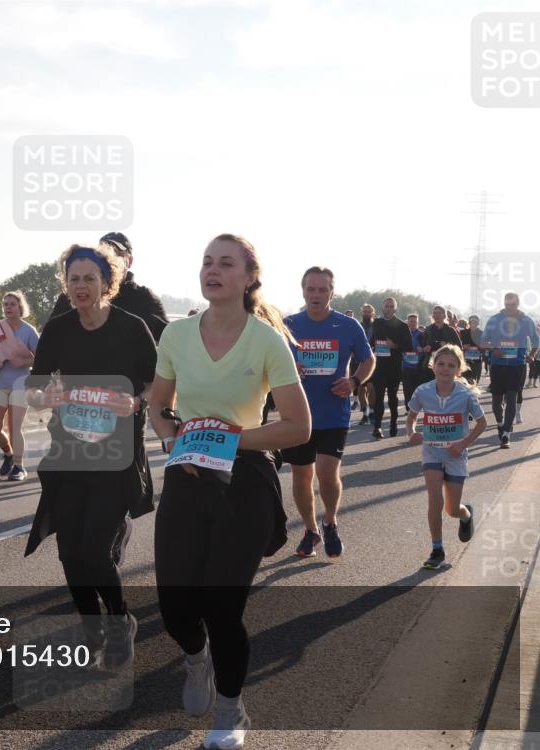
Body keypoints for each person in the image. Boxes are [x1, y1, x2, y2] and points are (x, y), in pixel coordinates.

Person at [150, 234, 309, 750]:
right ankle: (196, 660)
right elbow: (158, 408)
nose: (212, 270)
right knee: (175, 607)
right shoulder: (175, 335)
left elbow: (298, 427)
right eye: (206, 262)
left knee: (221, 606)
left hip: (245, 479)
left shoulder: (266, 341)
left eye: (225, 263)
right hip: (188, 475)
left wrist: (231, 438)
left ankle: (230, 711)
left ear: (248, 278)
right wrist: (180, 441)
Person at [24, 243, 157, 674]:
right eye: (74, 279)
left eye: (89, 279)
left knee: (96, 552)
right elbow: (33, 388)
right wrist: (47, 395)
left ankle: (120, 624)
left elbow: (161, 384)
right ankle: (92, 629)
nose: (81, 286)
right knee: (69, 553)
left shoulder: (132, 327)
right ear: (66, 284)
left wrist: (137, 403)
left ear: (107, 283)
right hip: (70, 452)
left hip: (116, 455)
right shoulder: (59, 330)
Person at [284, 267, 375, 559]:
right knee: (301, 478)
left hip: (333, 413)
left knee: (326, 472)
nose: (316, 295)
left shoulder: (348, 326)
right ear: (303, 291)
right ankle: (311, 531)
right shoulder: (288, 325)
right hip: (297, 414)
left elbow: (368, 359)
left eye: (323, 290)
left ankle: (330, 521)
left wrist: (354, 381)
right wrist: (288, 368)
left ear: (332, 293)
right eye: (311, 289)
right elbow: (270, 362)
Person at [406, 345, 486, 569]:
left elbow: (482, 423)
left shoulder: (465, 394)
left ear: (459, 370)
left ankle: (465, 514)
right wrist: (411, 433)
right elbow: (411, 417)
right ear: (433, 366)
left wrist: (462, 444)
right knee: (435, 500)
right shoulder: (423, 391)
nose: (445, 368)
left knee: (451, 509)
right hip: (431, 451)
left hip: (455, 456)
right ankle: (437, 549)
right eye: (441, 363)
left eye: (451, 365)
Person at [47, 232, 168, 342]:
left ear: (129, 261)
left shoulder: (144, 299)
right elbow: (50, 337)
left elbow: (168, 339)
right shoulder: (73, 295)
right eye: (106, 253)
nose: (112, 257)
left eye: (118, 253)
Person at [0, 291, 39, 481]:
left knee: (14, 426)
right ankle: (8, 453)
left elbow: (41, 358)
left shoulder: (29, 331)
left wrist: (22, 362)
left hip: (21, 384)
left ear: (20, 307)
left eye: (12, 304)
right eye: (5, 304)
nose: (8, 308)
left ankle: (19, 466)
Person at [481, 292, 538, 448]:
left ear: (518, 304)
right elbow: (483, 341)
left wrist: (531, 355)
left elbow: (535, 340)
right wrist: (495, 349)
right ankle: (500, 423)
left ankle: (507, 433)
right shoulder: (494, 319)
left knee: (512, 397)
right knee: (496, 404)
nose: (509, 307)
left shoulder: (526, 320)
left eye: (512, 304)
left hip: (517, 365)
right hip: (498, 364)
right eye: (507, 304)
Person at [368, 297, 410, 439]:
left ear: (395, 309)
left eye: (391, 306)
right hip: (379, 366)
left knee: (392, 397)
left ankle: (393, 423)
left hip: (394, 367)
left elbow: (409, 347)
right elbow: (371, 342)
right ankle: (377, 427)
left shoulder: (402, 326)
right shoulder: (377, 323)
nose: (389, 309)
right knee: (378, 397)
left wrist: (395, 345)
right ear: (382, 308)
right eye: (386, 306)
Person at [422, 306, 461, 381]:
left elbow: (459, 348)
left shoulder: (451, 330)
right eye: (435, 313)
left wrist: (448, 346)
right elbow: (422, 346)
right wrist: (425, 348)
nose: (437, 315)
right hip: (430, 365)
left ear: (444, 316)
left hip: (446, 365)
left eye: (439, 313)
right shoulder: (428, 329)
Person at [354, 304, 376, 424]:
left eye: (369, 312)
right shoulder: (357, 326)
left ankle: (371, 410)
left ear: (373, 313)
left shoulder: (377, 326)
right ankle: (365, 413)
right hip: (358, 361)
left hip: (373, 360)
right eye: (365, 312)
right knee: (361, 389)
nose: (366, 314)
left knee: (372, 388)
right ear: (361, 313)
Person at [401, 313, 426, 411]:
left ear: (417, 322)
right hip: (406, 366)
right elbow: (398, 346)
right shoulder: (403, 334)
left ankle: (416, 407)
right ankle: (408, 408)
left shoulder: (421, 335)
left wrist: (422, 349)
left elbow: (426, 349)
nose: (412, 323)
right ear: (408, 322)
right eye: (411, 321)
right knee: (407, 388)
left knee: (417, 389)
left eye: (414, 321)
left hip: (418, 366)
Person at [460, 315, 484, 385]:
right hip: (466, 360)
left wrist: (480, 346)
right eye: (471, 322)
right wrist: (463, 347)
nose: (473, 324)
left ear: (478, 323)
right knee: (466, 380)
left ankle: (474, 394)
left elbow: (485, 346)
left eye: (475, 322)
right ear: (469, 323)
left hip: (477, 360)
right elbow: (459, 345)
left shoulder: (481, 333)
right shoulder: (463, 332)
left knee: (475, 381)